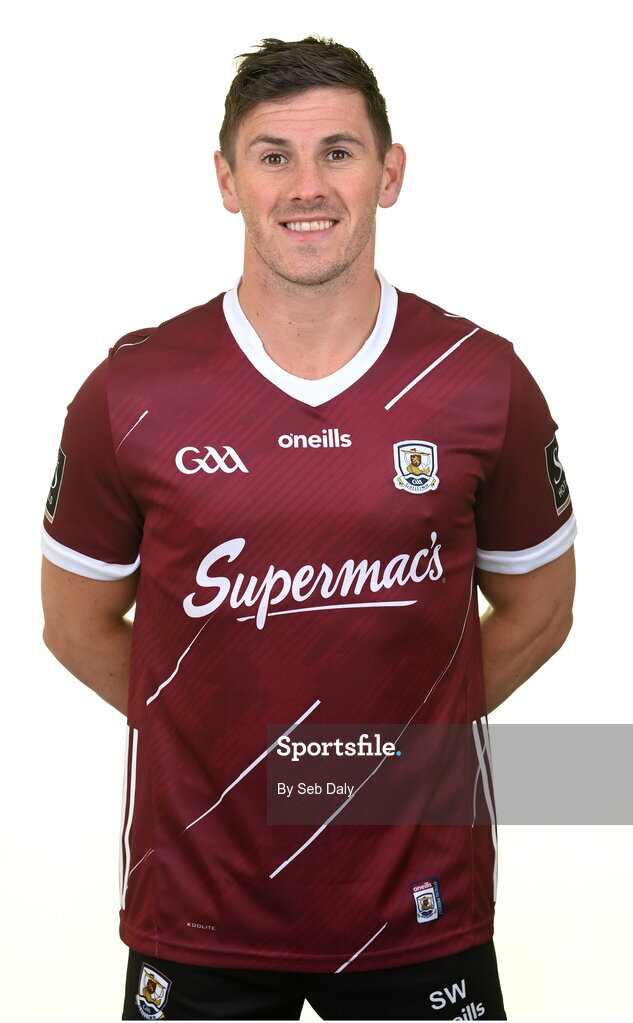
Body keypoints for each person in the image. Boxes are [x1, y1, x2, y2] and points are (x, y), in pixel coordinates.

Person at [41, 36, 576, 1021]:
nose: (306, 186)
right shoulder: (135, 391)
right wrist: (218, 735)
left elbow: (540, 612)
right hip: (199, 910)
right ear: (227, 180)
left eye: (337, 152)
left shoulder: (480, 380)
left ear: (390, 172)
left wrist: (393, 750)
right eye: (273, 156)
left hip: (421, 909)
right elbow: (75, 624)